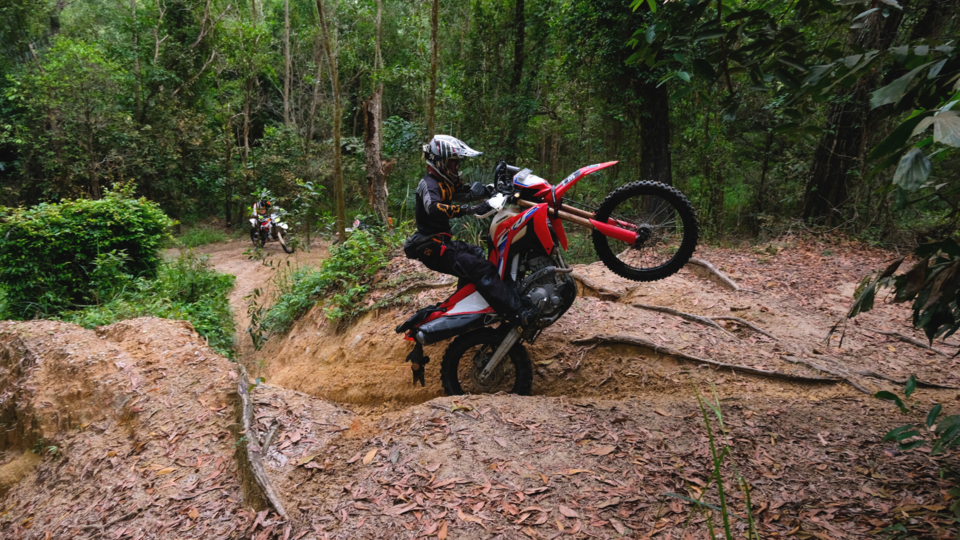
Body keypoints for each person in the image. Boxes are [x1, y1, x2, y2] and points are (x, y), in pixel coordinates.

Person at [403, 135, 539, 327]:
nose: (456, 168)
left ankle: (468, 305)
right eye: (453, 163)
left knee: (477, 252)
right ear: (440, 162)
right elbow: (433, 207)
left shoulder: (443, 183)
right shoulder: (429, 184)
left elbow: (465, 193)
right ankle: (516, 313)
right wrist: (470, 210)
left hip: (442, 243)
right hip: (432, 248)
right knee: (481, 268)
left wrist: (491, 190)